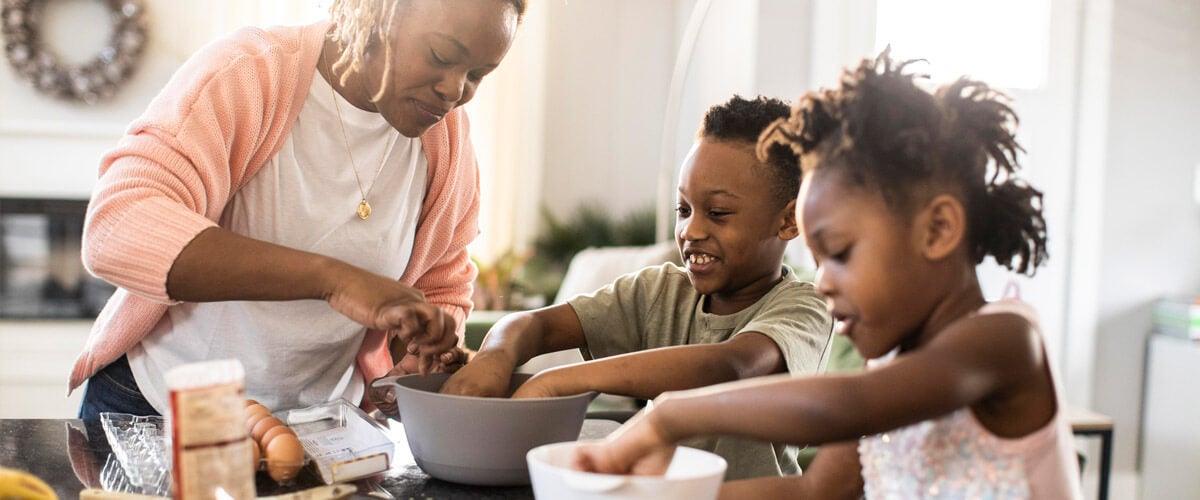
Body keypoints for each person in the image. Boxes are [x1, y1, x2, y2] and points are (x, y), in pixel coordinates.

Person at [574, 52, 1084, 499]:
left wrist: (669, 416)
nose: (822, 282)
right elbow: (819, 489)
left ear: (939, 228)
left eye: (839, 253)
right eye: (817, 261)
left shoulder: (1006, 340)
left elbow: (845, 408)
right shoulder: (884, 365)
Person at [70, 0, 526, 419]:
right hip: (157, 411)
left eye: (478, 74)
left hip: (323, 430)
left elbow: (441, 282)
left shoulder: (446, 140)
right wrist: (336, 281)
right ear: (374, 12)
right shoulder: (247, 73)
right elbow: (119, 224)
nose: (454, 90)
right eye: (442, 57)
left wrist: (419, 349)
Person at [436, 95, 834, 481]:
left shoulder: (806, 306)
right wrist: (494, 358)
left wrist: (561, 380)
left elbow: (727, 366)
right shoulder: (658, 291)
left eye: (717, 213)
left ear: (788, 221)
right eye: (684, 209)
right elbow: (532, 325)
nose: (690, 231)